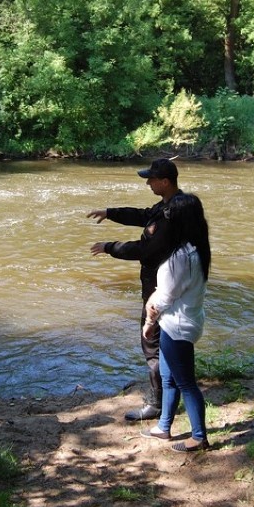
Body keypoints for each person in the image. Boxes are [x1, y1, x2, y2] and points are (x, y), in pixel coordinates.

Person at [88, 158, 183, 421]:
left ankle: (157, 404)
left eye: (151, 179)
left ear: (165, 181)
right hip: (170, 286)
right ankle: (169, 396)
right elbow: (142, 215)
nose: (148, 183)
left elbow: (146, 250)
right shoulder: (172, 205)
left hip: (159, 289)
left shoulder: (171, 214)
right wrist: (111, 212)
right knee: (167, 343)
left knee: (152, 343)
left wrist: (109, 247)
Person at [139, 193, 211, 452]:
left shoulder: (180, 256)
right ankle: (163, 427)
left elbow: (165, 296)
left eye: (170, 215)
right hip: (186, 321)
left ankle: (200, 437)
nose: (166, 218)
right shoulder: (198, 247)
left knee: (186, 383)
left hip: (176, 325)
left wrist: (149, 320)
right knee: (169, 378)